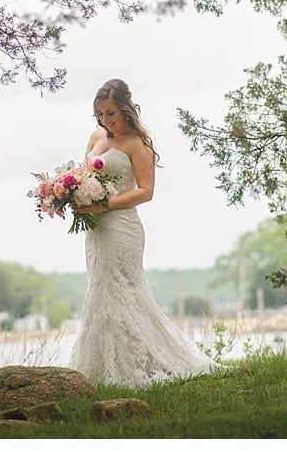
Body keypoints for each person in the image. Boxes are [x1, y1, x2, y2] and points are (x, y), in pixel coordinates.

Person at [68, 78, 218, 388]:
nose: (105, 120)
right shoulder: (96, 137)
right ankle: (99, 367)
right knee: (99, 290)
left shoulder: (137, 143)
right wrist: (73, 194)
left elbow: (145, 191)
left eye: (111, 113)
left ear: (126, 110)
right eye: (100, 114)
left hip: (122, 228)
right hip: (96, 231)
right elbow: (83, 176)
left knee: (123, 291)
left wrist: (104, 205)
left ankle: (139, 364)